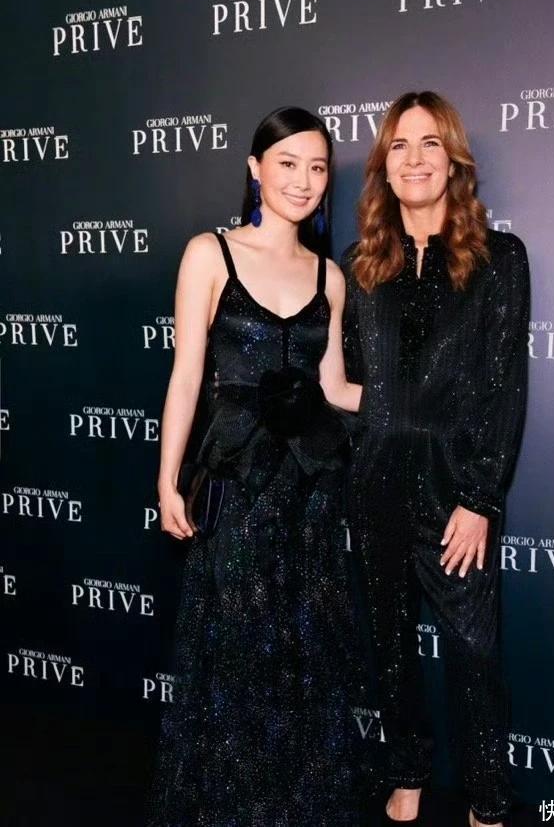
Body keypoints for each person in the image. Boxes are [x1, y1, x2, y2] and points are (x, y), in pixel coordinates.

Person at [148, 107, 362, 827]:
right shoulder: (209, 254)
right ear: (255, 168)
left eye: (317, 167)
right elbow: (186, 374)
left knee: (306, 650)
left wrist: (413, 399)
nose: (303, 180)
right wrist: (168, 477)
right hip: (239, 485)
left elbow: (334, 387)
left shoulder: (331, 277)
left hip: (311, 492)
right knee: (237, 648)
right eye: (288, 163)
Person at [342, 91, 530, 827]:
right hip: (377, 487)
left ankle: (487, 797)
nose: (414, 159)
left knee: (474, 654)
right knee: (390, 651)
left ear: (453, 163)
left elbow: (504, 386)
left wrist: (480, 498)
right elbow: (352, 385)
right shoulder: (361, 268)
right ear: (384, 168)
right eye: (399, 145)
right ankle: (408, 772)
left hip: (457, 492)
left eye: (430, 144)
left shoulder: (499, 259)